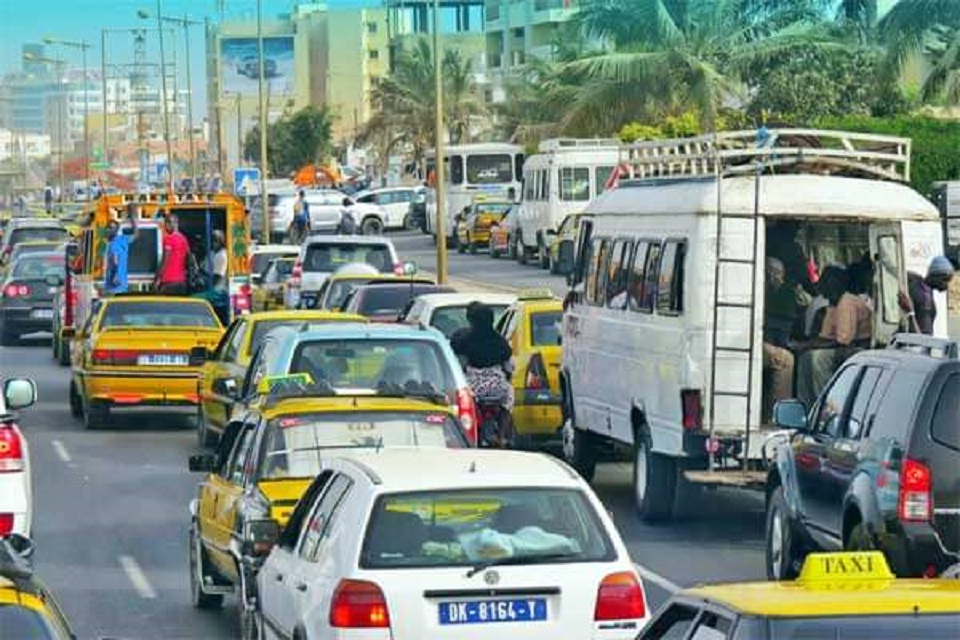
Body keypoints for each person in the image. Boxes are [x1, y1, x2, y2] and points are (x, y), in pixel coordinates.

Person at [795, 266, 872, 404]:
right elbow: (825, 337)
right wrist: (804, 345)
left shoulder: (847, 302)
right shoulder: (833, 304)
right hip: (845, 346)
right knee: (805, 357)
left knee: (819, 358)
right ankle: (807, 404)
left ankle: (826, 403)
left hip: (859, 348)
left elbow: (843, 340)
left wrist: (809, 345)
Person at [450, 302, 515, 444]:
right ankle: (503, 436)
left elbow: (459, 364)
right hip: (498, 388)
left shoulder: (462, 340)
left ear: (470, 320)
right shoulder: (500, 342)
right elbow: (509, 367)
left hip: (472, 387)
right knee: (509, 397)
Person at [763, 258, 795, 422]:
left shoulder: (777, 292)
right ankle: (779, 417)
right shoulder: (762, 287)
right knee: (785, 360)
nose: (780, 279)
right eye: (778, 274)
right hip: (750, 339)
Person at [899, 256, 955, 335]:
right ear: (935, 276)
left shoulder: (918, 283)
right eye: (945, 279)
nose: (947, 285)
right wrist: (910, 313)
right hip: (918, 345)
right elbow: (924, 338)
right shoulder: (926, 297)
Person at [103, 208, 140, 295]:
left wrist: (116, 276)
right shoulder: (123, 239)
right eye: (107, 227)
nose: (108, 230)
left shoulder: (113, 245)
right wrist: (133, 219)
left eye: (110, 228)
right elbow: (136, 235)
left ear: (116, 230)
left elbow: (115, 260)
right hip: (123, 285)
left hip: (114, 286)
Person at [155, 214, 190, 295]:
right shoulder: (183, 239)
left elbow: (165, 261)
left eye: (166, 223)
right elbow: (188, 257)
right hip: (181, 282)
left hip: (168, 282)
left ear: (172, 223)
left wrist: (157, 279)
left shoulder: (168, 239)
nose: (165, 226)